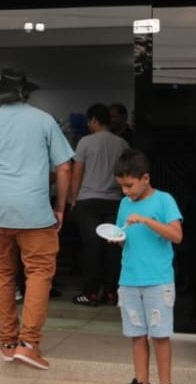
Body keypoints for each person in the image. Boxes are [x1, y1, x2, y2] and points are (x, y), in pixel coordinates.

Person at [0, 68, 73, 371]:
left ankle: (8, 342)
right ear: (26, 93)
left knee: (3, 275)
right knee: (38, 273)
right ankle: (29, 343)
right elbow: (64, 168)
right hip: (35, 212)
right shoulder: (44, 120)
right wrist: (60, 207)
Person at [113, 149, 183, 384]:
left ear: (146, 178)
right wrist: (118, 239)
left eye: (130, 185)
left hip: (158, 280)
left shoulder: (164, 200)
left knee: (161, 336)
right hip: (129, 280)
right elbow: (125, 239)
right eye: (122, 186)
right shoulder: (124, 203)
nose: (126, 191)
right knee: (136, 335)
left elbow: (176, 235)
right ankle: (141, 381)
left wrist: (146, 220)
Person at [69, 103, 129, 306]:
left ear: (94, 120)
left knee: (91, 247)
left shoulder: (85, 142)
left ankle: (91, 293)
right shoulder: (122, 144)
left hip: (88, 201)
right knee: (113, 247)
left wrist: (72, 199)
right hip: (114, 201)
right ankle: (112, 292)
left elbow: (77, 172)